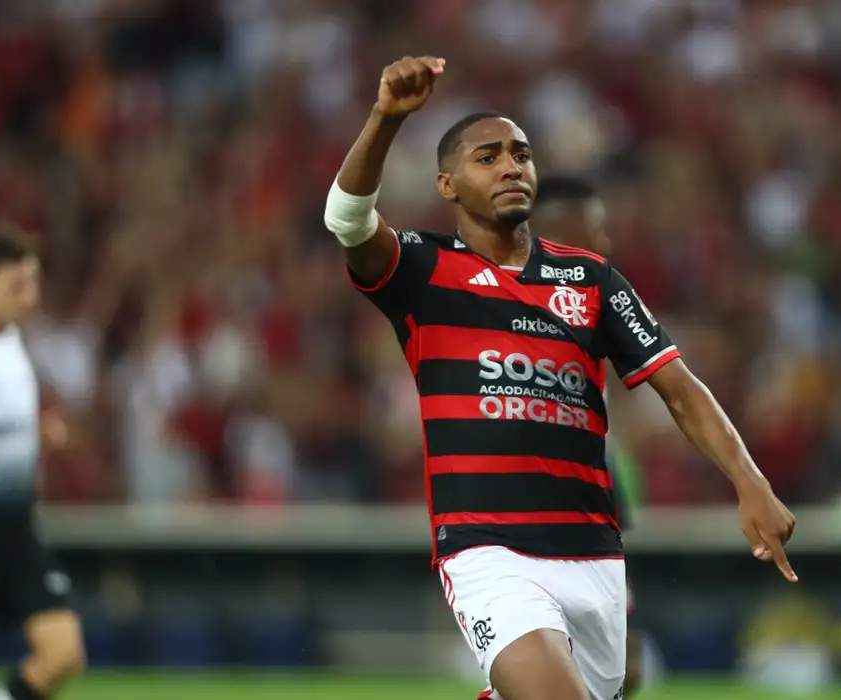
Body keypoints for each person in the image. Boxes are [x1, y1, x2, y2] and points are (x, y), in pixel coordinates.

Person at [324, 56, 797, 700]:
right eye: (487, 157)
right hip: (488, 551)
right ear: (448, 185)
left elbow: (680, 389)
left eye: (521, 153)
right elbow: (346, 221)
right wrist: (384, 118)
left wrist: (750, 481)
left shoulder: (591, 281)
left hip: (593, 554)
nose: (512, 166)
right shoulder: (423, 271)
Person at [531, 175, 645, 694]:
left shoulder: (598, 296)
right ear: (561, 230)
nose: (606, 244)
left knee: (626, 670)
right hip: (526, 513)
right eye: (596, 229)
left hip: (594, 483)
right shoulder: (511, 303)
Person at [0, 230, 86, 700]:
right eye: (17, 284)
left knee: (62, 655)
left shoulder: (13, 344)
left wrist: (37, 433)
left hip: (15, 529)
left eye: (33, 283)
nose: (31, 296)